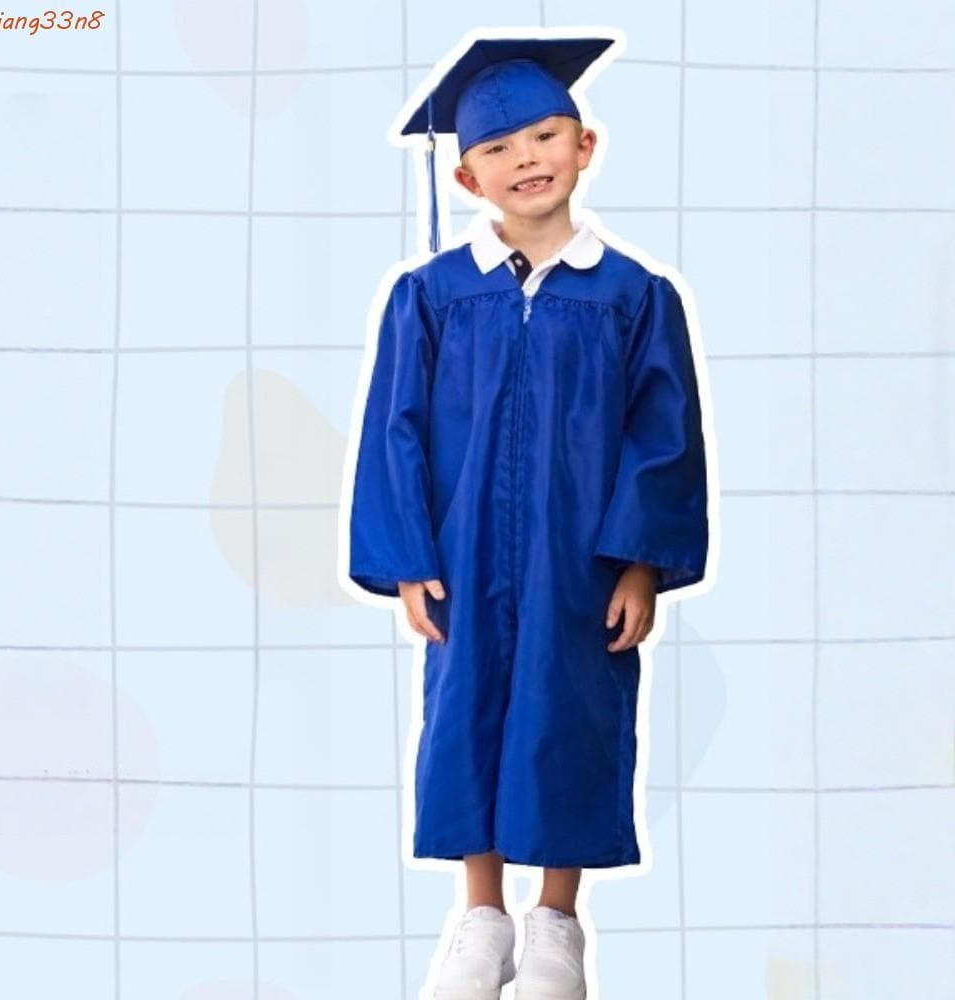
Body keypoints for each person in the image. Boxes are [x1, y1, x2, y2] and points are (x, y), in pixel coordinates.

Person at [344, 32, 711, 1000]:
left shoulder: (634, 296)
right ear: (467, 176)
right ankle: (481, 918)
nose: (527, 160)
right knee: (465, 713)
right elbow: (394, 428)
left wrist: (640, 561)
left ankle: (555, 920)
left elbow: (662, 434)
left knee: (570, 713)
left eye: (546, 136)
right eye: (499, 148)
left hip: (580, 553)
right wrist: (407, 554)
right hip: (460, 551)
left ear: (585, 146)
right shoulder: (429, 296)